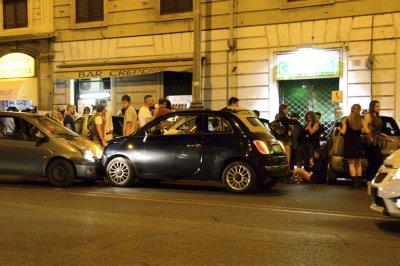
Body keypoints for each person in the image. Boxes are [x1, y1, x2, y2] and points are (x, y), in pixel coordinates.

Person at [340, 104, 364, 188]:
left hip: (349, 142)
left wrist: (339, 129)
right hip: (358, 141)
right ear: (359, 110)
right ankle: (359, 184)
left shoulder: (346, 119)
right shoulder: (361, 119)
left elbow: (343, 132)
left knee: (351, 163)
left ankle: (354, 184)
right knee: (359, 163)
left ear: (351, 109)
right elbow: (365, 131)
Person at [362, 100, 387, 181]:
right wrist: (370, 137)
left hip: (375, 141)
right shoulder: (368, 115)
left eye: (379, 106)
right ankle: (368, 177)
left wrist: (381, 134)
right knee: (377, 160)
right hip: (369, 141)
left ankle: (369, 178)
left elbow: (376, 129)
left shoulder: (376, 115)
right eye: (377, 106)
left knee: (376, 160)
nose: (379, 108)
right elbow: (364, 128)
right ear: (372, 107)